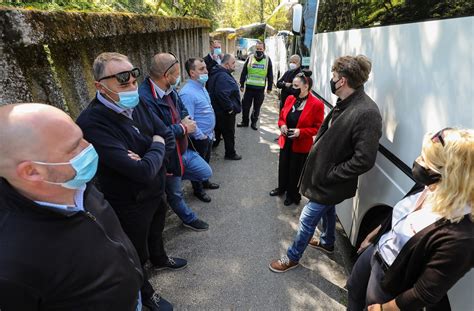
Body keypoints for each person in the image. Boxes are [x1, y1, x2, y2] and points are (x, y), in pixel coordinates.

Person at [0, 103, 143, 310]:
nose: (88, 147)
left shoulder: (76, 183)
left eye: (82, 137)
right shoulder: (11, 262)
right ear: (32, 171)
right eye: (73, 147)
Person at [76, 52, 178, 310]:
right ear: (100, 86)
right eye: (123, 82)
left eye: (134, 77)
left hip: (155, 191)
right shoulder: (93, 122)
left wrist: (148, 156)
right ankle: (145, 291)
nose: (132, 86)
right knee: (135, 252)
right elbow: (140, 171)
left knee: (157, 231)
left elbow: (165, 133)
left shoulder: (137, 101)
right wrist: (153, 150)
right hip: (131, 202)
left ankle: (161, 258)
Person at [269, 55, 382, 272]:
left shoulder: (367, 112)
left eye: (334, 76)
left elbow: (364, 160)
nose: (331, 79)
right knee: (329, 211)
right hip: (325, 179)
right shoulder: (347, 102)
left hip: (330, 181)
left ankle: (292, 257)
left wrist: (330, 173)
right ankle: (328, 242)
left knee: (306, 219)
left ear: (342, 81)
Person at [347, 128, 474, 311]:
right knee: (354, 289)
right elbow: (400, 214)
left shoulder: (462, 236)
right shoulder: (430, 184)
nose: (418, 162)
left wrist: (384, 309)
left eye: (426, 160)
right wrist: (374, 235)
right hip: (377, 250)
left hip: (391, 281)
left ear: (452, 174)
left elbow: (424, 293)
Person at [138, 52, 210, 231]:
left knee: (205, 172)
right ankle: (188, 218)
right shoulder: (145, 99)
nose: (179, 78)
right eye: (177, 74)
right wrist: (183, 128)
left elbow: (182, 109)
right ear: (165, 75)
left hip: (182, 151)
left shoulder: (169, 89)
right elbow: (155, 133)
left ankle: (169, 183)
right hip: (168, 157)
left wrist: (185, 120)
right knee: (176, 194)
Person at [269, 71, 324, 206]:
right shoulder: (290, 99)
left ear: (306, 87)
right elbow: (282, 117)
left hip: (301, 144)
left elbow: (317, 128)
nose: (291, 88)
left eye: (295, 86)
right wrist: (282, 125)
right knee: (283, 166)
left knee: (295, 171)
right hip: (286, 140)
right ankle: (281, 188)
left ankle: (292, 194)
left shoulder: (317, 104)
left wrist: (301, 132)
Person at [179, 58, 220, 203]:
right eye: (201, 69)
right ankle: (198, 190)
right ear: (192, 73)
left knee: (206, 161)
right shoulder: (187, 93)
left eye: (206, 68)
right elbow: (187, 119)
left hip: (207, 135)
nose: (206, 71)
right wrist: (201, 136)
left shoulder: (201, 86)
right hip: (199, 138)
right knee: (198, 164)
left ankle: (205, 182)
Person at [207, 54, 242, 160]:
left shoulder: (219, 72)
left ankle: (215, 143)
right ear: (226, 65)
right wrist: (230, 108)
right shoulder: (223, 76)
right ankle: (230, 153)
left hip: (218, 110)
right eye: (233, 63)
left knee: (218, 128)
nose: (235, 65)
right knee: (229, 132)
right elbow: (222, 94)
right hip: (224, 112)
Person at [238, 40, 274, 130]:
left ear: (264, 49)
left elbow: (270, 74)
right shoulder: (250, 58)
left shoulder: (267, 60)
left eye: (260, 49)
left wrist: (269, 87)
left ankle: (254, 123)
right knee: (245, 107)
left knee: (256, 108)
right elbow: (244, 71)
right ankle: (244, 122)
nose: (259, 50)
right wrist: (242, 84)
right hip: (249, 88)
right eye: (257, 48)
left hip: (260, 90)